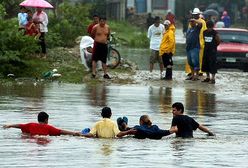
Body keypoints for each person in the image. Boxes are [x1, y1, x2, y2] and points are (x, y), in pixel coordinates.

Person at [3, 111, 79, 136]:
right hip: (43, 137)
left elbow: (19, 125)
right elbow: (61, 131)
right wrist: (74, 133)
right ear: (46, 120)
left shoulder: (31, 125)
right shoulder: (48, 127)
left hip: (32, 138)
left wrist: (9, 125)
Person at [185, 8, 207, 77]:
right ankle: (190, 72)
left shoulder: (202, 22)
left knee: (199, 58)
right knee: (190, 59)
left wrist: (203, 42)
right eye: (194, 14)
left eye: (196, 14)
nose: (195, 15)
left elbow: (204, 31)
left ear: (198, 14)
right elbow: (189, 32)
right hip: (190, 44)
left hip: (200, 43)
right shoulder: (191, 22)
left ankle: (199, 71)